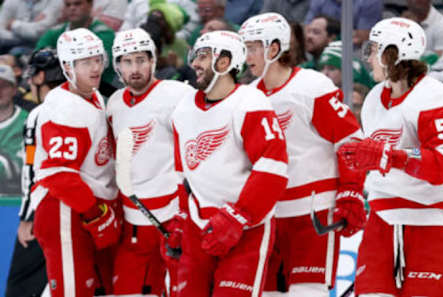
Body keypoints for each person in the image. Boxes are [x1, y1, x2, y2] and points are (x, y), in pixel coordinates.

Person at [239, 12, 366, 297]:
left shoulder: (311, 87)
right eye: (245, 47)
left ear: (274, 48)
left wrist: (351, 190)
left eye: (252, 47)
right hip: (268, 216)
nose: (246, 55)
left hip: (313, 212)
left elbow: (349, 139)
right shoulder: (247, 97)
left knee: (308, 292)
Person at [339, 17, 443, 297]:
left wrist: (390, 156)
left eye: (373, 50)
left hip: (432, 223)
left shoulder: (436, 97)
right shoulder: (373, 99)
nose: (369, 58)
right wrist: (353, 193)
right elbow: (369, 158)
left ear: (392, 53)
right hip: (382, 223)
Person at [172, 30, 288, 297]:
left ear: (224, 62)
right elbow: (181, 173)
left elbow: (274, 168)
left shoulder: (250, 102)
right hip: (197, 227)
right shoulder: (183, 108)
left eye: (202, 56)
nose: (194, 64)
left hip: (246, 229)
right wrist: (180, 216)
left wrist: (238, 216)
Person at [31, 28, 121, 297]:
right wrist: (96, 215)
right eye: (85, 62)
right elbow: (58, 174)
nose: (95, 68)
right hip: (65, 210)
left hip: (84, 207)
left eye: (97, 59)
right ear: (68, 66)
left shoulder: (91, 94)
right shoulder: (65, 108)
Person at [107, 27, 194, 297]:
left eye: (141, 60)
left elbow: (192, 158)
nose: (135, 69)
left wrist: (184, 211)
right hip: (132, 223)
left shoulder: (178, 96)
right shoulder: (113, 104)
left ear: (153, 61)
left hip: (172, 220)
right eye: (127, 61)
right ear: (117, 65)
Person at [5, 48, 65, 297]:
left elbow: (32, 172)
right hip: (85, 214)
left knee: (20, 285)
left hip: (47, 212)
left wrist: (27, 218)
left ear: (41, 77)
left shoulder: (39, 114)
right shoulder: (90, 106)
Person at [35, 0, 117, 96]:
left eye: (77, 4)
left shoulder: (105, 33)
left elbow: (97, 66)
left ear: (90, 5)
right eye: (68, 5)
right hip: (61, 89)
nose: (72, 8)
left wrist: (54, 59)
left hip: (101, 91)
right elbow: (37, 58)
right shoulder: (55, 32)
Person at [0, 64, 28, 195]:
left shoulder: (28, 121)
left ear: (14, 89)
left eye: (4, 86)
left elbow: (22, 164)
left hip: (15, 199)